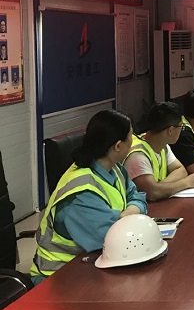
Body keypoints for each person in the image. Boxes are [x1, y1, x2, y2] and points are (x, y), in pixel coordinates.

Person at [30, 110, 147, 283]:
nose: (134, 141)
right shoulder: (81, 193)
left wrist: (125, 216)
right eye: (131, 137)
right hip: (59, 276)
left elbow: (138, 197)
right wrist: (132, 214)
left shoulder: (114, 169)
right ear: (117, 146)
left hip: (92, 262)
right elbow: (115, 240)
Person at [124, 101, 194, 201]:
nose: (181, 131)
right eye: (181, 127)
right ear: (170, 130)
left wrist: (160, 187)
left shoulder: (163, 145)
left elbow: (181, 170)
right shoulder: (138, 156)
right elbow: (153, 193)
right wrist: (185, 183)